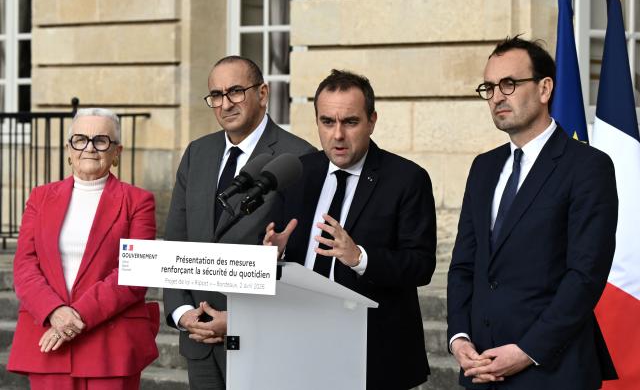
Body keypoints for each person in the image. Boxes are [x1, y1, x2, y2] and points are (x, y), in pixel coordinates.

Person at [447, 36, 619, 389]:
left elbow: (585, 276)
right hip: (481, 370)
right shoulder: (483, 167)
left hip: (552, 370)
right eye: (489, 87)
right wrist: (459, 337)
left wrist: (527, 350)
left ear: (544, 89)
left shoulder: (588, 166)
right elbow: (465, 263)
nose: (497, 96)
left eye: (509, 84)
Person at [263, 69, 437, 390]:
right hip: (300, 344)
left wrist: (359, 258)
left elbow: (421, 266)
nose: (338, 135)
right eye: (327, 122)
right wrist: (275, 255)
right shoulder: (299, 172)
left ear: (372, 120)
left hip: (375, 352)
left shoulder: (407, 179)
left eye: (350, 122)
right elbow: (280, 254)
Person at [163, 56, 315, 389]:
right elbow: (176, 241)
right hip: (199, 339)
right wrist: (182, 313)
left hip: (262, 340)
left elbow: (304, 260)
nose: (225, 103)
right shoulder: (197, 153)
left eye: (235, 91)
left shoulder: (299, 158)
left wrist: (240, 319)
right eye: (216, 95)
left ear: (263, 93)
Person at [8, 108, 159, 389]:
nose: (89, 148)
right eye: (80, 139)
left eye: (101, 140)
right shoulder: (40, 198)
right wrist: (55, 312)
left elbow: (135, 272)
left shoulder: (138, 201)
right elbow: (25, 266)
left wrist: (75, 317)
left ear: (117, 152)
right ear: (69, 149)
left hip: (110, 344)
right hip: (48, 339)